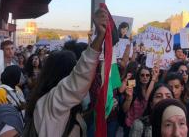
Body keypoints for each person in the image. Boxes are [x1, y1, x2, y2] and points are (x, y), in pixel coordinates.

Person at [23, 8, 108, 136]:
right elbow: (79, 78)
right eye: (74, 67)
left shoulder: (55, 103)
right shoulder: (53, 101)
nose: (76, 71)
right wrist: (100, 36)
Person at [123, 65, 159, 136]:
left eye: (147, 75)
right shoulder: (132, 85)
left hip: (146, 126)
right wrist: (128, 99)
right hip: (131, 124)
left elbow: (146, 98)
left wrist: (154, 79)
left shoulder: (154, 88)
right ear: (138, 76)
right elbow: (124, 110)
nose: (145, 77)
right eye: (142, 75)